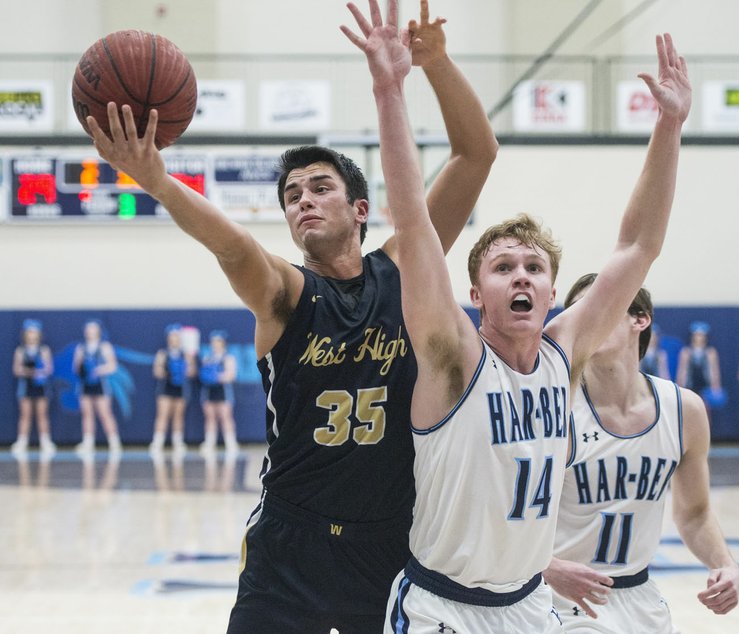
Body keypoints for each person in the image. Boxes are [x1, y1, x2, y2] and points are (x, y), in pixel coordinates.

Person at [85, 0, 498, 629]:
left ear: (362, 209)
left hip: (389, 540)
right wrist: (159, 182)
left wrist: (436, 65)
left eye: (320, 187)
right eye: (291, 195)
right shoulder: (285, 292)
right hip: (289, 541)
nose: (303, 200)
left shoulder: (409, 269)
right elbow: (230, 243)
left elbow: (476, 154)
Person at [342, 1, 691, 630]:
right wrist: (390, 91)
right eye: (503, 268)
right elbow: (414, 227)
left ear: (555, 291)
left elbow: (638, 246)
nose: (521, 275)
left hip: (530, 607)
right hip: (442, 607)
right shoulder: (454, 355)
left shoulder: (565, 352)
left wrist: (669, 126)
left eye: (534, 267)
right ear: (476, 294)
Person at [543, 275, 739, 633]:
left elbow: (694, 515)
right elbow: (503, 516)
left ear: (640, 319)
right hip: (561, 598)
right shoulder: (556, 409)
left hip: (641, 597)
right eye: (578, 311)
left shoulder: (685, 411)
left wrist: (724, 563)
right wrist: (545, 566)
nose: (588, 318)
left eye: (601, 304)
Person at [73, 318, 123, 458]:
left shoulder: (105, 347)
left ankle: (114, 442)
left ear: (99, 331)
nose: (90, 332)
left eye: (93, 329)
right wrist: (81, 365)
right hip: (85, 385)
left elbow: (113, 366)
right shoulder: (81, 348)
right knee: (87, 414)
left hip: (100, 384)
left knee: (105, 413)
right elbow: (76, 369)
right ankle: (88, 442)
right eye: (88, 329)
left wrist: (98, 370)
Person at [11, 319, 56, 459]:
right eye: (29, 332)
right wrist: (30, 372)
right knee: (25, 415)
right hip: (26, 386)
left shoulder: (43, 350)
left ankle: (45, 441)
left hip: (40, 386)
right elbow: (17, 370)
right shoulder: (20, 351)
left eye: (34, 332)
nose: (32, 335)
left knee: (42, 414)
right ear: (25, 334)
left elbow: (49, 369)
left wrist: (40, 372)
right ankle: (22, 441)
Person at [149, 323, 196, 458]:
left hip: (180, 388)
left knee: (178, 415)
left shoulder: (186, 354)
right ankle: (158, 442)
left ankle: (178, 442)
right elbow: (156, 371)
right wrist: (167, 372)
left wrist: (183, 371)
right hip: (165, 387)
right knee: (162, 415)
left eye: (177, 336)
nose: (174, 339)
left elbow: (192, 371)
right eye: (172, 336)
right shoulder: (163, 354)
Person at [198, 330, 239, 458]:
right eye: (214, 342)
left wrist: (216, 376)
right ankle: (210, 443)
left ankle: (231, 444)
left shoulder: (228, 357)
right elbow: (202, 374)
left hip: (223, 391)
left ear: (223, 343)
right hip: (209, 391)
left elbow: (231, 375)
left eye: (219, 341)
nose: (216, 344)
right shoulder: (207, 357)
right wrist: (206, 375)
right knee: (210, 417)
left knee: (225, 416)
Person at [676, 321, 723, 414]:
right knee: (689, 409)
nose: (699, 338)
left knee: (705, 409)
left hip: (705, 384)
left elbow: (715, 370)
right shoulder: (686, 352)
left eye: (701, 335)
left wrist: (716, 386)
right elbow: (682, 370)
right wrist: (679, 386)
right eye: (697, 335)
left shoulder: (711, 352)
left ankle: (706, 428)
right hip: (690, 384)